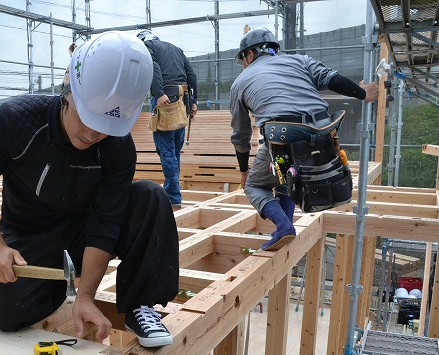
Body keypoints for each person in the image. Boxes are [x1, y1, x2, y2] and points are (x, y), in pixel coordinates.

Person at [0, 31, 180, 348]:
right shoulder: (15, 121)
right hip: (30, 234)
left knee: (149, 196)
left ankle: (139, 305)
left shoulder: (118, 147)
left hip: (86, 230)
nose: (92, 134)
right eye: (87, 117)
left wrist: (87, 296)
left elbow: (106, 222)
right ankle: (53, 287)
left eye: (104, 127)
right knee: (5, 314)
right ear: (70, 94)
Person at [230, 28, 379, 250]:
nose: (243, 64)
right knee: (283, 174)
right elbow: (333, 79)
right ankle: (285, 227)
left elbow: (240, 136)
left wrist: (244, 172)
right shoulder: (300, 61)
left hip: (284, 137)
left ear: (249, 55)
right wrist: (363, 94)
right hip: (323, 132)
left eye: (242, 59)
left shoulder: (240, 82)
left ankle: (283, 227)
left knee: (254, 186)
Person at [137, 29, 198, 207]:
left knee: (166, 149)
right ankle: (172, 188)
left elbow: (153, 67)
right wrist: (194, 101)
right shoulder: (176, 49)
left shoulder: (147, 46)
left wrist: (158, 92)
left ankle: (173, 195)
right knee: (174, 149)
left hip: (166, 97)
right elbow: (191, 75)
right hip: (182, 98)